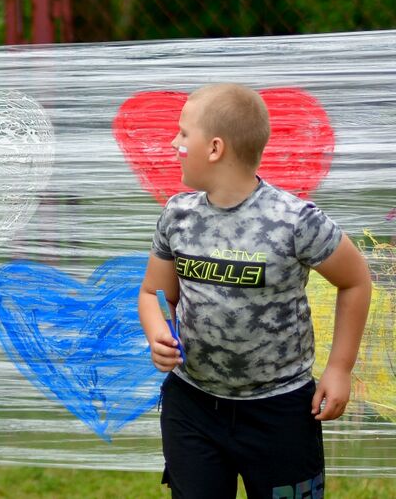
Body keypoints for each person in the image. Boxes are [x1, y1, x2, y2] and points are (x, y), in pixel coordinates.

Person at [138, 83, 371, 499]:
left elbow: (354, 280)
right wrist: (156, 331)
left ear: (214, 148)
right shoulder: (177, 215)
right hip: (191, 406)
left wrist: (339, 369)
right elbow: (152, 293)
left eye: (182, 134)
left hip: (280, 411)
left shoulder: (296, 220)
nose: (173, 144)